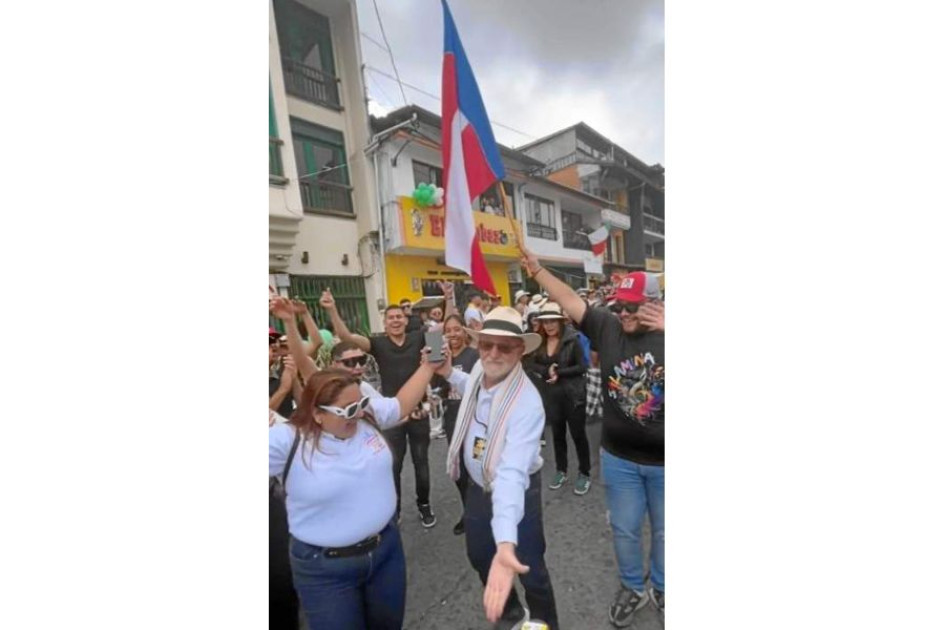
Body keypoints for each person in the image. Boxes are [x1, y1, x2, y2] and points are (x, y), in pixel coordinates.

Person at [522, 248, 666, 627]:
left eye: (633, 307)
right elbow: (569, 298)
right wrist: (537, 269)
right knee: (625, 529)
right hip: (619, 459)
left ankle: (664, 586)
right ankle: (633, 587)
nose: (624, 314)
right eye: (620, 306)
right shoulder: (607, 327)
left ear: (654, 304)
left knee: (668, 531)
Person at [270, 351, 451, 630]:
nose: (360, 412)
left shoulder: (364, 414)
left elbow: (401, 404)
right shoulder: (287, 440)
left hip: (385, 552)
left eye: (362, 403)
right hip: (325, 570)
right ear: (317, 414)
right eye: (349, 410)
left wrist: (428, 366)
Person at [444, 306, 560, 628]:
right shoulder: (481, 371)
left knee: (529, 567)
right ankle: (512, 617)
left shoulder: (527, 403)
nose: (493, 354)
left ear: (521, 350)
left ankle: (543, 623)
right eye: (486, 345)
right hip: (477, 487)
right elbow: (469, 383)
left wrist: (506, 543)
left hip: (517, 490)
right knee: (481, 556)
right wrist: (446, 372)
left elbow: (511, 476)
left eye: (505, 346)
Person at [322, 289, 438, 528]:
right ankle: (393, 511)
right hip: (390, 414)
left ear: (406, 319)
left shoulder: (420, 336)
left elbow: (438, 347)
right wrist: (332, 309)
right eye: (390, 318)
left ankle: (424, 504)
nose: (395, 320)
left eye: (399, 317)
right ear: (384, 323)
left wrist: (435, 394)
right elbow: (347, 339)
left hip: (418, 412)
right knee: (391, 465)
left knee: (421, 462)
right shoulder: (377, 343)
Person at [524, 302, 592, 495]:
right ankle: (561, 470)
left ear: (560, 322)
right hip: (552, 396)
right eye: (545, 322)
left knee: (578, 435)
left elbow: (582, 367)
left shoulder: (573, 339)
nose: (549, 325)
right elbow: (530, 365)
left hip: (573, 395)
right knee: (557, 435)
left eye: (553, 321)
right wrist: (546, 370)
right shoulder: (540, 342)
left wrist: (559, 372)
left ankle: (584, 473)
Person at [437, 313, 480, 535]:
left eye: (456, 329)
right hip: (452, 417)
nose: (452, 334)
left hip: (476, 419)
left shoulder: (474, 356)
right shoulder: (441, 356)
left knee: (479, 463)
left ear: (464, 331)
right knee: (459, 470)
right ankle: (468, 511)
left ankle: (487, 510)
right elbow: (434, 386)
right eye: (448, 330)